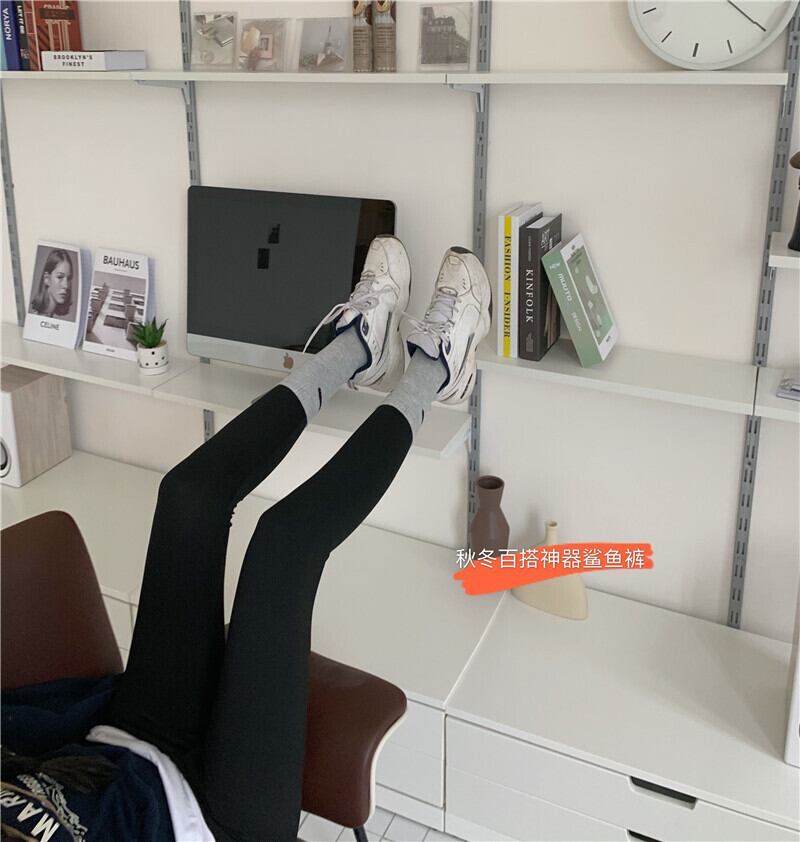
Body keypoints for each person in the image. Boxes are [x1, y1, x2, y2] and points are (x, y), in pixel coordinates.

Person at [1, 237, 492, 842]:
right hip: (214, 822)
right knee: (283, 544)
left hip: (117, 752)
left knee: (187, 496)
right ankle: (437, 368)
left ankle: (356, 348)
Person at [30, 249, 75, 319]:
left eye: (69, 278)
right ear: (47, 279)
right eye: (60, 277)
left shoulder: (48, 317)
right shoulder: (38, 318)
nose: (66, 286)